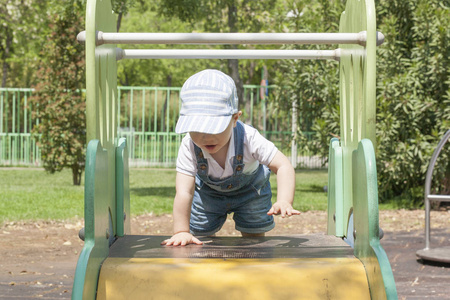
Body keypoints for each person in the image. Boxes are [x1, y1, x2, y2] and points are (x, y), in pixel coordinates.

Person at [161, 69, 299, 247]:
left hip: (251, 192)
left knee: (254, 238)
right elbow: (184, 192)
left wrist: (284, 200)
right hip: (208, 194)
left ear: (235, 119)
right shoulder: (189, 145)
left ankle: (253, 262)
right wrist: (181, 231)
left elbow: (283, 165)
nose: (206, 137)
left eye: (214, 127)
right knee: (199, 237)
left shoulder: (249, 138)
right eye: (197, 128)